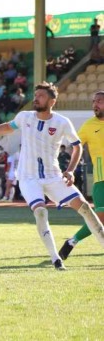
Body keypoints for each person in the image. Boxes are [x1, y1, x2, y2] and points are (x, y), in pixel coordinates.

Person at [0, 83, 104, 270]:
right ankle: (56, 258)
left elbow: (77, 146)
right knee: (40, 211)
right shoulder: (25, 117)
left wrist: (70, 170)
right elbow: (8, 127)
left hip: (54, 176)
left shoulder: (62, 122)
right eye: (35, 95)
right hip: (29, 177)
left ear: (52, 101)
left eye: (40, 95)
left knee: (86, 208)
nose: (35, 98)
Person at [59, 91, 104, 260]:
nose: (95, 104)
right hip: (102, 179)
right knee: (100, 216)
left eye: (99, 101)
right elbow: (75, 147)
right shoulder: (88, 125)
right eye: (94, 101)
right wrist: (70, 169)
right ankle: (72, 241)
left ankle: (71, 242)